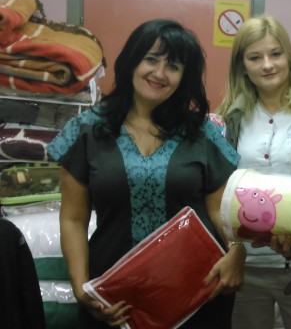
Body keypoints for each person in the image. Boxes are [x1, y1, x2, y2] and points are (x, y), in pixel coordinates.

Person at [47, 19, 245, 328]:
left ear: (184, 76)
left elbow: (221, 209)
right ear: (132, 61)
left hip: (197, 291)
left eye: (173, 66)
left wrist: (237, 252)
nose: (159, 73)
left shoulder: (201, 132)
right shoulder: (86, 130)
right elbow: (73, 217)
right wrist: (81, 286)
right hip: (115, 294)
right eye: (151, 59)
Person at [217, 15, 291, 329]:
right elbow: (224, 188)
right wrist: (233, 248)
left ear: (288, 57)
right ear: (242, 65)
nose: (267, 65)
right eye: (255, 57)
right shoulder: (233, 115)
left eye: (275, 54)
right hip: (247, 263)